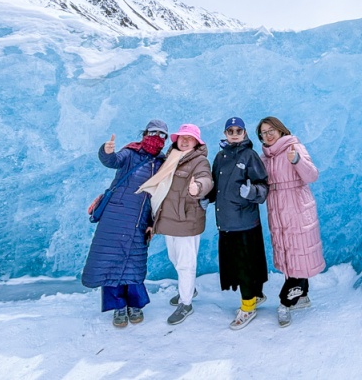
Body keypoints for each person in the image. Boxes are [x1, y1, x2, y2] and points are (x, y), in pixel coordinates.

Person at [81, 119, 168, 328]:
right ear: (145, 132)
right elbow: (112, 161)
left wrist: (154, 222)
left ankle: (135, 305)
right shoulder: (131, 153)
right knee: (111, 261)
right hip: (116, 216)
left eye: (162, 135)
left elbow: (162, 195)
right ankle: (118, 307)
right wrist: (106, 151)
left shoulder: (163, 163)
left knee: (134, 264)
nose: (157, 137)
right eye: (154, 132)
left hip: (140, 218)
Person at [257, 116, 325, 328]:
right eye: (263, 132)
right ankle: (302, 296)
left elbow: (312, 175)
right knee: (289, 252)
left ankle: (285, 302)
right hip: (277, 206)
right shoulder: (265, 156)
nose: (268, 135)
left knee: (298, 250)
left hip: (296, 205)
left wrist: (297, 160)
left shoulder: (294, 147)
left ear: (280, 130)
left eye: (271, 130)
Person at [143, 124, 213, 325]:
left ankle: (186, 302)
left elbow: (206, 179)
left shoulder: (199, 161)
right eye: (181, 137)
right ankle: (188, 288)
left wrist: (198, 188)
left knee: (185, 264)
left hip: (186, 219)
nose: (184, 141)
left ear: (196, 142)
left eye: (189, 138)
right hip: (168, 219)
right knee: (175, 258)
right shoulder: (170, 159)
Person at [207, 116, 269, 330]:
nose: (234, 134)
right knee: (239, 265)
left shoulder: (250, 155)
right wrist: (208, 196)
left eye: (238, 131)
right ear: (225, 134)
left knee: (246, 266)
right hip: (226, 222)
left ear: (245, 133)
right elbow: (217, 186)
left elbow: (263, 187)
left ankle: (248, 306)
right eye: (230, 131)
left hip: (245, 221)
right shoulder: (220, 156)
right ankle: (255, 296)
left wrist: (252, 192)